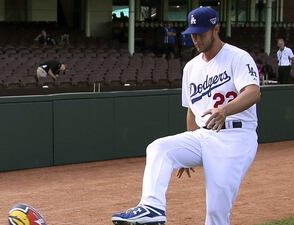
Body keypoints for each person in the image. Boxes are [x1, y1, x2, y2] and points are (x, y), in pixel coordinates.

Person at [111, 6, 261, 225]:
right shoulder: (191, 68)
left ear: (216, 29)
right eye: (192, 33)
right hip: (204, 136)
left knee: (216, 213)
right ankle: (152, 209)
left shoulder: (237, 57)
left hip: (236, 138)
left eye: (201, 33)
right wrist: (187, 148)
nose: (196, 38)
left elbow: (253, 92)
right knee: (160, 148)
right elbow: (192, 109)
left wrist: (225, 110)